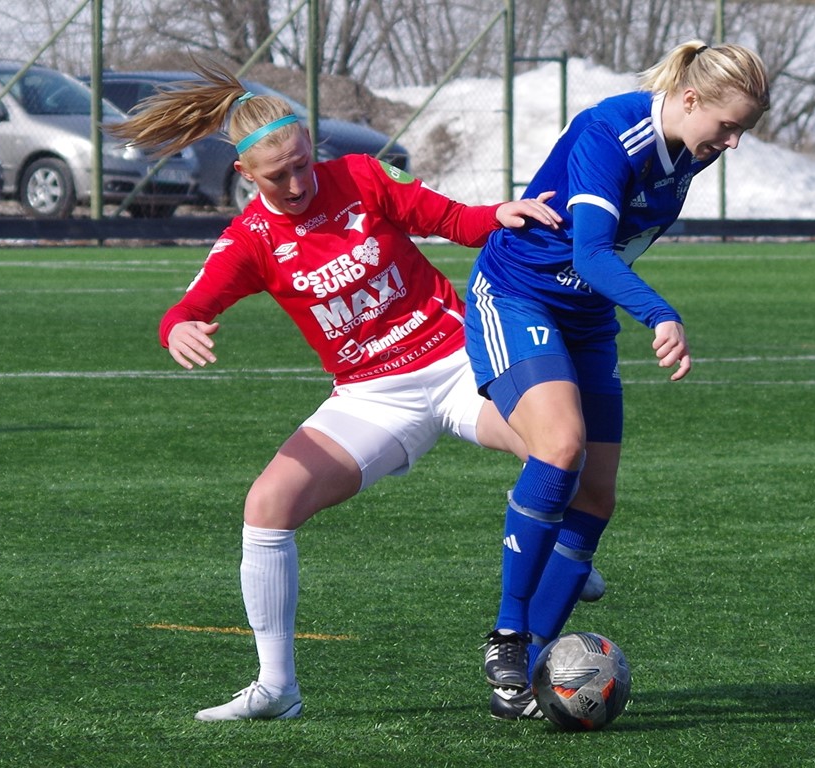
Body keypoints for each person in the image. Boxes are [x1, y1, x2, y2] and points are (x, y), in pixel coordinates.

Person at [106, 61, 568, 722]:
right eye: (279, 174)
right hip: (372, 397)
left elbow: (449, 219)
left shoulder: (360, 175)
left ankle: (556, 559)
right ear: (245, 176)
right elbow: (185, 309)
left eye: (302, 163)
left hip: (458, 360)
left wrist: (499, 214)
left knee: (557, 449)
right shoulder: (250, 242)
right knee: (267, 504)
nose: (298, 182)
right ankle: (276, 688)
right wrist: (177, 329)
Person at [467, 40, 771, 720]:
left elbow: (609, 259)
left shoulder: (686, 152)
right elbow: (591, 252)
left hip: (585, 315)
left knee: (597, 497)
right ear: (690, 99)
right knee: (562, 447)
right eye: (728, 126)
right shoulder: (612, 132)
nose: (733, 142)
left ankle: (527, 680)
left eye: (742, 130)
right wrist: (659, 314)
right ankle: (510, 635)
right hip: (518, 296)